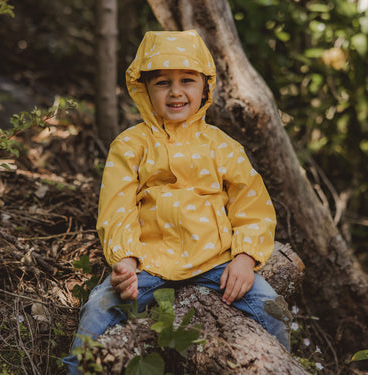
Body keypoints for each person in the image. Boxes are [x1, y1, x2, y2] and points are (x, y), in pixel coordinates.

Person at [63, 29, 291, 374]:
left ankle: (283, 367)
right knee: (98, 306)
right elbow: (116, 207)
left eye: (187, 80)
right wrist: (124, 259)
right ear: (144, 89)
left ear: (205, 87)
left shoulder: (222, 146)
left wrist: (245, 257)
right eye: (162, 82)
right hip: (149, 263)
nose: (175, 92)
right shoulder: (130, 145)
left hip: (216, 260)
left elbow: (251, 204)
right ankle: (76, 370)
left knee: (272, 308)